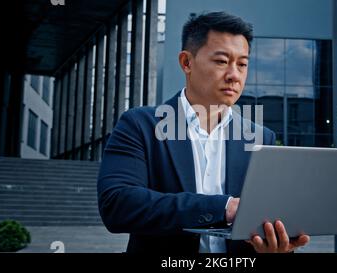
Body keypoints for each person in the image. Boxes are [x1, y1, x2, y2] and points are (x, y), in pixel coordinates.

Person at [97, 11, 310, 254]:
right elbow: (117, 204)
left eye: (242, 64)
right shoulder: (140, 125)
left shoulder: (261, 137)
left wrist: (278, 245)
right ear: (187, 62)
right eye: (221, 61)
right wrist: (223, 207)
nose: (234, 75)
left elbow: (267, 219)